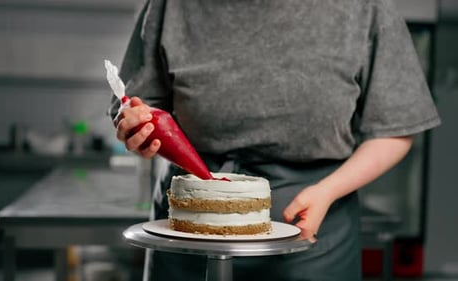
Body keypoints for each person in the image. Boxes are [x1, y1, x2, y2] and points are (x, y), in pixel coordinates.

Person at [109, 0, 441, 280]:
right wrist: (138, 126)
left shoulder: (364, 7)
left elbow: (396, 128)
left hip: (313, 227)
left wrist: (327, 192)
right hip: (190, 225)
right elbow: (137, 105)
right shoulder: (173, 5)